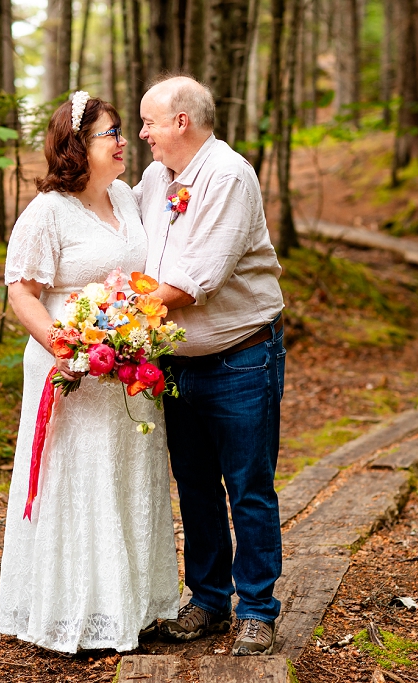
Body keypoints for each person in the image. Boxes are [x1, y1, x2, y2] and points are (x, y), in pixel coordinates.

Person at [0, 92, 180, 653]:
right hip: (71, 366)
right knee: (80, 477)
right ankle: (75, 609)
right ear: (78, 145)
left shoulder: (125, 197)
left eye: (125, 130)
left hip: (127, 365)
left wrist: (134, 334)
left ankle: (133, 604)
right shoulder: (47, 212)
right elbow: (21, 292)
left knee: (126, 473)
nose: (124, 141)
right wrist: (62, 344)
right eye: (112, 133)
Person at [134, 75, 286, 656]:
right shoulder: (154, 179)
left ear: (182, 122)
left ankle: (256, 609)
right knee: (194, 484)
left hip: (241, 356)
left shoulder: (228, 175)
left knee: (248, 486)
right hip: (176, 361)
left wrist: (110, 320)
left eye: (149, 122)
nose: (142, 133)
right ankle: (207, 600)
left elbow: (198, 277)